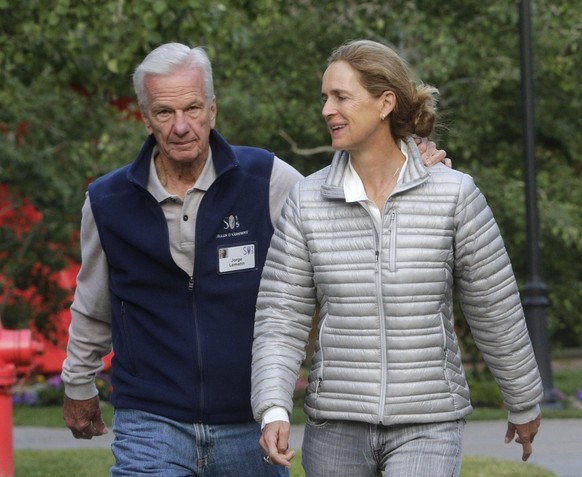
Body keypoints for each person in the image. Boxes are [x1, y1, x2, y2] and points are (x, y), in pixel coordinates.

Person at [60, 41, 448, 476]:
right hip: (151, 419)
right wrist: (78, 383)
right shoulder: (107, 201)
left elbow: (346, 214)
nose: (181, 126)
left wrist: (411, 169)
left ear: (213, 110)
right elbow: (92, 306)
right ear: (145, 117)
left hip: (250, 423)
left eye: (192, 108)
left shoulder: (267, 178)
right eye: (165, 113)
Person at [251, 39, 543, 477]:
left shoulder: (454, 194)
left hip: (428, 422)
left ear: (385, 102)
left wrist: (522, 400)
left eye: (341, 97)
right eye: (325, 97)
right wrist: (273, 406)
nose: (327, 109)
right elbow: (281, 316)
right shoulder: (306, 200)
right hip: (335, 425)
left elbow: (495, 306)